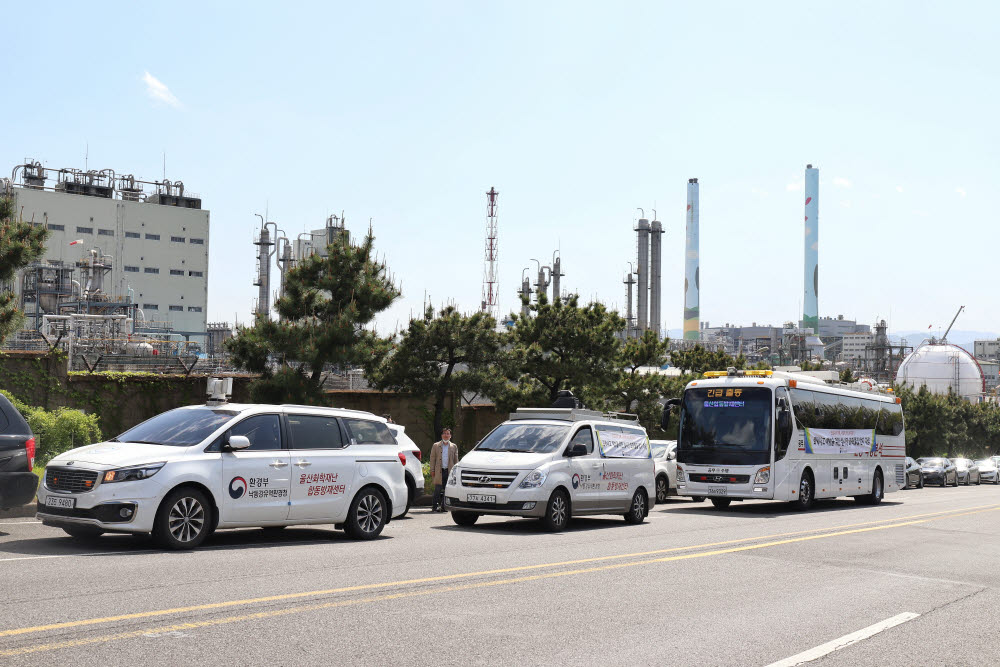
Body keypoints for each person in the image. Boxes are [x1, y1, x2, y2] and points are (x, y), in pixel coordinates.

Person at [430, 428, 458, 512]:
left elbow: (456, 460)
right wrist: (432, 470)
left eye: (448, 433)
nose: (446, 435)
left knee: (447, 490)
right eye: (445, 433)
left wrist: (456, 471)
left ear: (450, 436)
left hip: (449, 471)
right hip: (439, 470)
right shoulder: (436, 445)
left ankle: (443, 507)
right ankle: (434, 506)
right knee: (437, 489)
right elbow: (432, 458)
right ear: (442, 435)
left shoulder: (454, 446)